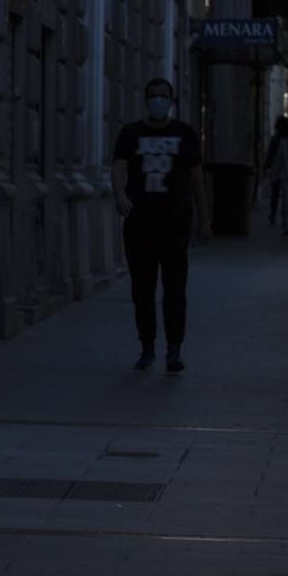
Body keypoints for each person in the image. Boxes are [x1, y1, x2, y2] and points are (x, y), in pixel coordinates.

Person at [111, 78, 210, 373]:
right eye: (153, 95)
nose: (158, 100)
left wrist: (204, 220)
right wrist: (119, 195)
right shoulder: (130, 133)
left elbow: (196, 179)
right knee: (142, 289)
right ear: (145, 99)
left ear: (171, 100)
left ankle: (174, 351)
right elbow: (118, 168)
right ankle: (147, 347)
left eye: (163, 96)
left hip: (175, 224)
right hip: (140, 224)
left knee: (175, 289)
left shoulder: (185, 134)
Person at [264, 116, 288, 225]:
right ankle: (284, 215)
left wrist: (267, 166)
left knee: (275, 194)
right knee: (286, 195)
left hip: (276, 169)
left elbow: (270, 154)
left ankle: (273, 214)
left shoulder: (275, 139)